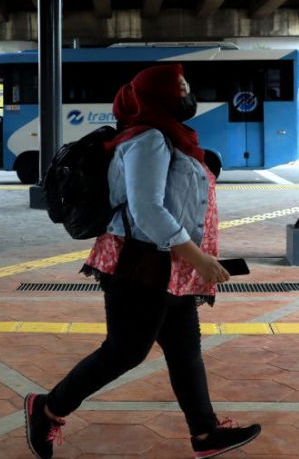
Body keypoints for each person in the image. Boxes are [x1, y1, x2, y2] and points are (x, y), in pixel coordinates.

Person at [23, 64, 261, 459]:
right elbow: (146, 209)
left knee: (185, 349)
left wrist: (193, 257)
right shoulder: (148, 138)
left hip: (170, 265)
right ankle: (46, 409)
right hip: (140, 264)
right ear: (158, 98)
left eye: (187, 85)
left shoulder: (171, 136)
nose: (187, 92)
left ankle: (205, 434)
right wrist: (198, 258)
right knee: (125, 351)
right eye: (179, 87)